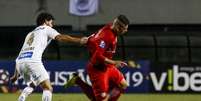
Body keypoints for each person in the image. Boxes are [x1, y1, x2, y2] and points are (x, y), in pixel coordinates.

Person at [10, 12, 87, 101]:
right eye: (51, 22)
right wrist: (79, 40)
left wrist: (16, 75)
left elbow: (21, 54)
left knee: (32, 84)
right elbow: (61, 38)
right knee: (48, 88)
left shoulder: (30, 34)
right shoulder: (46, 29)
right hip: (33, 61)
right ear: (46, 21)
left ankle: (22, 98)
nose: (52, 25)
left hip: (20, 63)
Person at [65, 15, 130, 101]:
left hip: (108, 67)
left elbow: (95, 38)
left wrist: (89, 40)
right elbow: (97, 56)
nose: (125, 31)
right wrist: (114, 62)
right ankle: (78, 81)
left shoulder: (110, 27)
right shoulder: (108, 36)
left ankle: (78, 81)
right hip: (97, 70)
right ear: (118, 26)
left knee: (123, 85)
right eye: (124, 28)